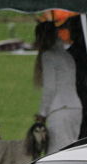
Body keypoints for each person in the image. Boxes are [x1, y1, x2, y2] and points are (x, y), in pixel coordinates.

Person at [33, 21, 82, 154]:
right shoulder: (67, 56)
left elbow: (50, 88)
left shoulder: (48, 56)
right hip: (75, 109)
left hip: (60, 110)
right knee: (71, 152)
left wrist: (42, 113)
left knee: (57, 154)